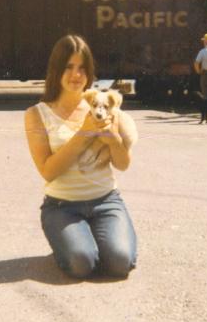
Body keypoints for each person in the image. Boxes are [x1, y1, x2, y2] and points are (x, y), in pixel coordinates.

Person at [24, 34, 138, 279]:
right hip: (62, 207)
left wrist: (113, 138)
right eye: (68, 67)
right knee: (81, 263)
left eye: (82, 68)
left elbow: (123, 164)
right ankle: (70, 243)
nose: (76, 75)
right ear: (55, 70)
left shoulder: (104, 107)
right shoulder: (37, 114)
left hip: (106, 201)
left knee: (120, 263)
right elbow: (48, 171)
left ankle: (90, 239)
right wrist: (85, 133)